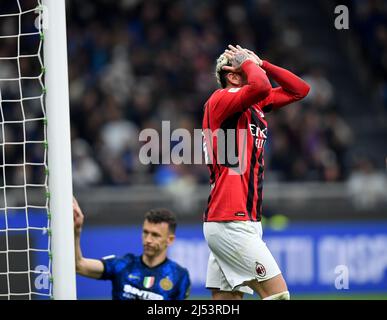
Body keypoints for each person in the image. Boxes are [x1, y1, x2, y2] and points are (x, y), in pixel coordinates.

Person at [202, 45, 310, 300]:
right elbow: (261, 86)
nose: (250, 65)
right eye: (242, 65)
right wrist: (248, 63)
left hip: (240, 219)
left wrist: (264, 63)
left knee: (226, 302)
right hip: (230, 220)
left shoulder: (255, 104)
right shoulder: (220, 100)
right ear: (231, 73)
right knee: (278, 296)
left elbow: (300, 90)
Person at [73, 198, 191, 300]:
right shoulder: (123, 265)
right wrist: (76, 231)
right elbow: (79, 266)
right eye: (145, 232)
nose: (148, 239)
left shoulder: (179, 276)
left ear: (170, 240)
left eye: (155, 235)